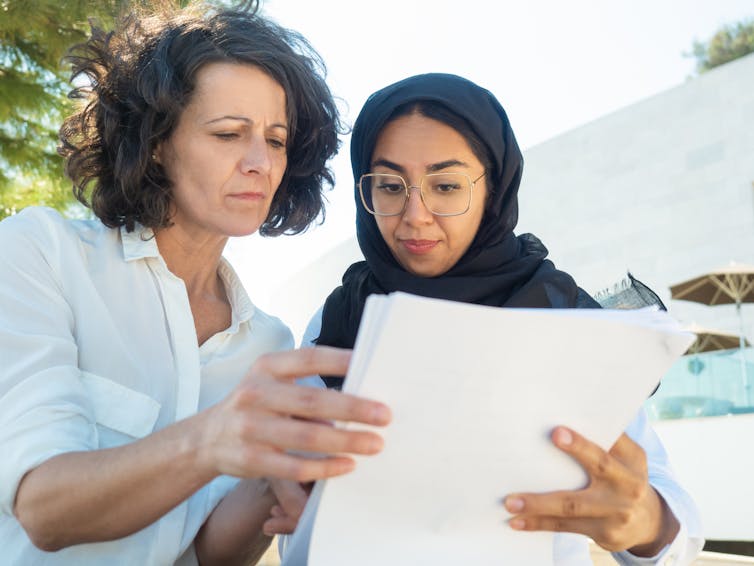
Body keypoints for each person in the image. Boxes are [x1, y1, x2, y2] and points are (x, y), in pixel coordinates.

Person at [0, 3, 393, 564]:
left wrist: (277, 480)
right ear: (156, 142)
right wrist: (214, 440)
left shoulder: (272, 350)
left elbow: (207, 555)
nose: (260, 162)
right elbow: (43, 509)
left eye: (277, 140)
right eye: (229, 133)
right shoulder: (41, 255)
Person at [269, 73, 704, 565]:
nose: (415, 214)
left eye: (446, 185)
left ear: (494, 186)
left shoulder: (565, 319)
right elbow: (296, 527)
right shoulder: (338, 320)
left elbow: (673, 523)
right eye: (390, 186)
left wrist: (644, 520)